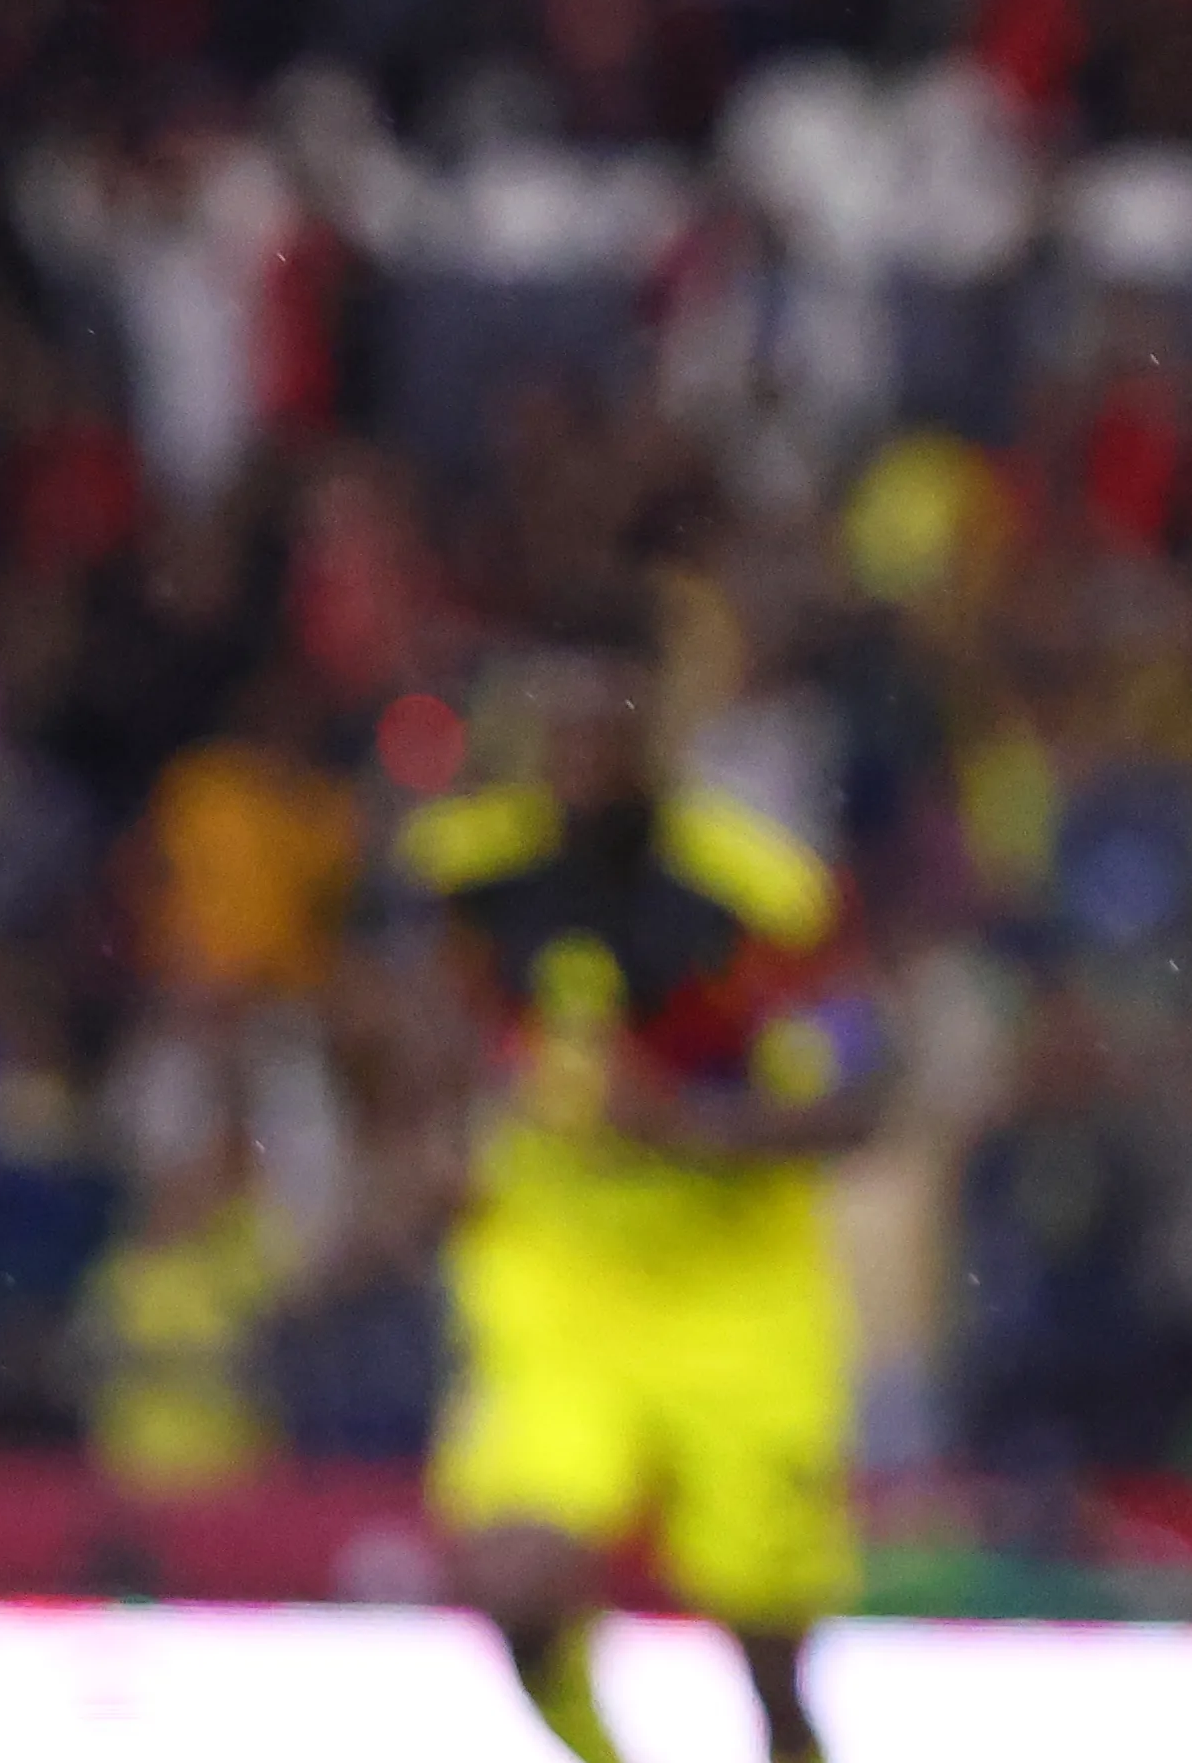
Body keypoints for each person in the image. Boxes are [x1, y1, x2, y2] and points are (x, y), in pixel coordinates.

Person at [403, 663, 875, 1763]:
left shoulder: (761, 891)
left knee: (767, 1646)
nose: (582, 755)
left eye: (605, 727)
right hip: (560, 1273)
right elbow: (413, 1027)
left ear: (660, 734)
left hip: (737, 1287)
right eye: (559, 726)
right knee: (517, 1585)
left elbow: (861, 1100)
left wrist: (688, 1124)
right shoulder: (468, 872)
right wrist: (430, 1139)